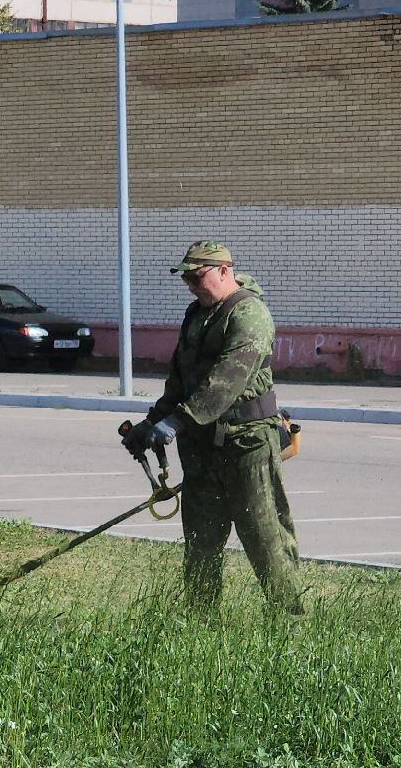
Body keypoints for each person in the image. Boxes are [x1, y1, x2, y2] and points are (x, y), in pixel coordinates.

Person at [124, 240, 303, 613]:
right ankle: (201, 622)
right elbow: (180, 381)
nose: (190, 284)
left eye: (197, 275)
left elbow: (228, 379)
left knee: (265, 539)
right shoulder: (195, 315)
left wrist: (178, 420)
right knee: (201, 543)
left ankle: (292, 624)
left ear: (224, 270)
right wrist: (151, 422)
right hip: (202, 449)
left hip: (247, 446)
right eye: (186, 278)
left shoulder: (249, 314)